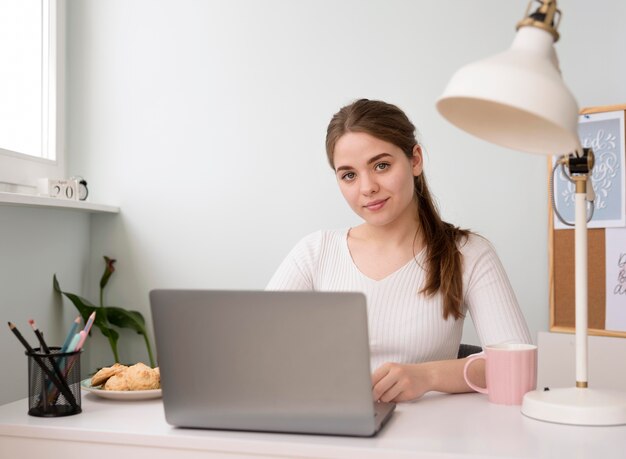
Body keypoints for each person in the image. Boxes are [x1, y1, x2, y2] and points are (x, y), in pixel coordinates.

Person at [266, 99, 531, 403]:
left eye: (381, 165)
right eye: (349, 175)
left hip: (426, 440)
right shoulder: (315, 252)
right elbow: (258, 349)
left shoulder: (467, 253)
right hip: (333, 433)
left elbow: (517, 366)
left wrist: (428, 376)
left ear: (415, 160)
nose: (367, 187)